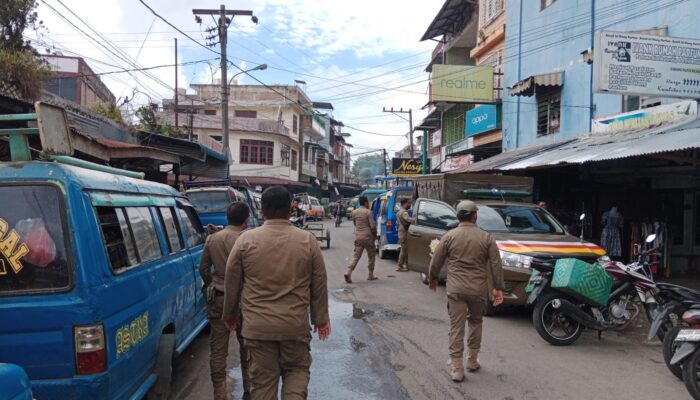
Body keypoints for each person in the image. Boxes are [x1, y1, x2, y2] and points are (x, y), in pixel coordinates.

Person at [222, 186, 330, 400]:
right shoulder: (308, 240)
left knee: (262, 383)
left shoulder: (245, 240)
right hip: (294, 326)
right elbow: (318, 283)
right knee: (297, 372)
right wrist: (320, 319)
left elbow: (231, 282)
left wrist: (230, 315)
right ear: (291, 209)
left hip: (258, 328)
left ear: (262, 210)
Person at [428, 200, 504, 383]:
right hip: (478, 290)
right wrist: (498, 288)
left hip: (455, 289)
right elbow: (495, 263)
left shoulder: (449, 236)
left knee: (456, 327)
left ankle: (457, 368)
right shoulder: (486, 237)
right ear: (475, 216)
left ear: (457, 216)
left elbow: (436, 261)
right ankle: (472, 360)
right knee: (476, 322)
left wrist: (433, 279)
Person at [198, 202, 251, 400]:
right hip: (245, 300)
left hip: (218, 298)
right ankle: (250, 389)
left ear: (227, 218)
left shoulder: (212, 239)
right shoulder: (249, 239)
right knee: (247, 346)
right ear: (246, 220)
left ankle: (220, 394)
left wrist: (215, 282)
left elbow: (203, 268)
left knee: (218, 350)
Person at [344, 195, 378, 283]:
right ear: (366, 202)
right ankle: (370, 274)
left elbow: (355, 223)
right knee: (371, 256)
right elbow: (373, 226)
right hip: (368, 237)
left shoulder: (354, 212)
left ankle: (348, 272)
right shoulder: (368, 212)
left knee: (356, 256)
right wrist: (375, 234)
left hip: (358, 237)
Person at [396, 198, 415, 272]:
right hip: (403, 233)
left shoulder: (399, 211)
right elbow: (408, 220)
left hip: (401, 233)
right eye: (408, 203)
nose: (409, 205)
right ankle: (400, 266)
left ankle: (405, 265)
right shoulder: (404, 212)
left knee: (403, 250)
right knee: (404, 251)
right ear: (404, 204)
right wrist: (416, 219)